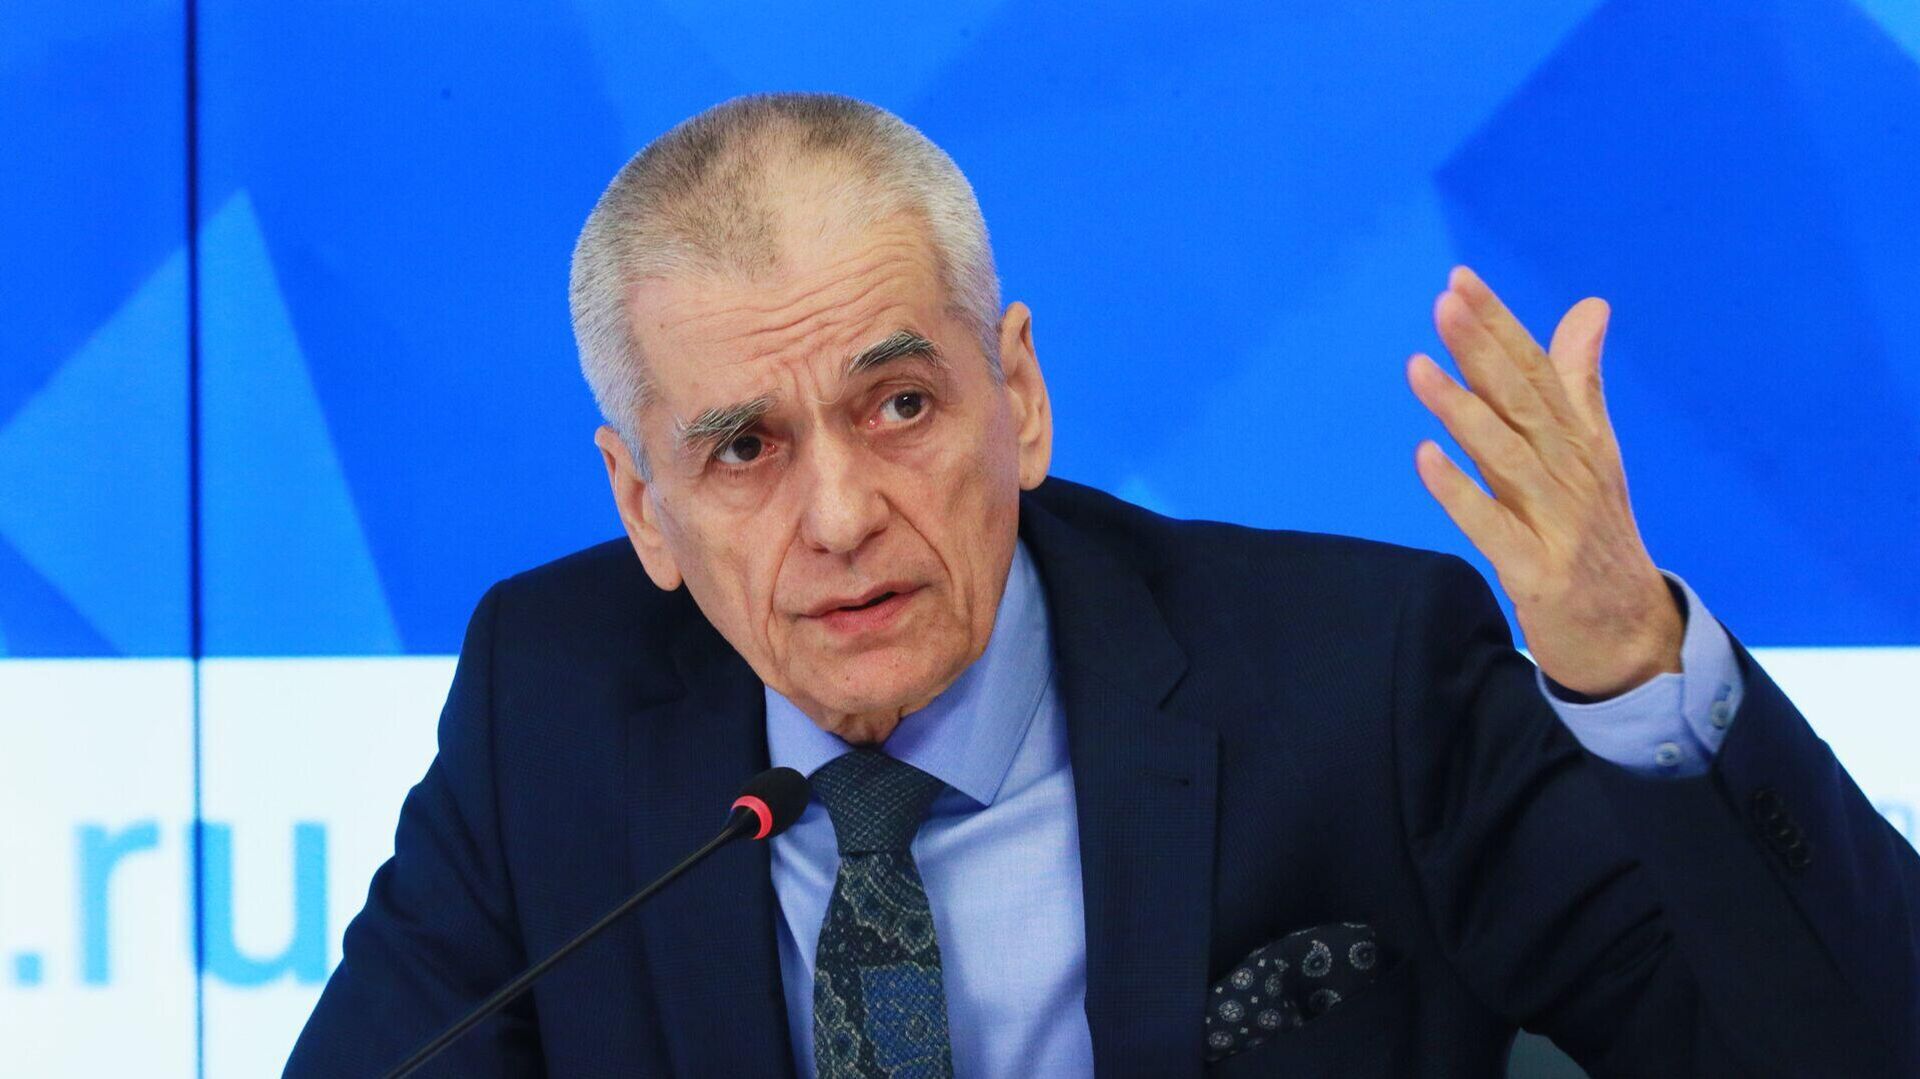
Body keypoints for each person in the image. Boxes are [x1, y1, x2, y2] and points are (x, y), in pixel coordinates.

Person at [284, 92, 1918, 1077]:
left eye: (899, 405)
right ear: (643, 504)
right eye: (745, 450)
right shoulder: (553, 704)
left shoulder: (1359, 684)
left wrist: (1634, 670)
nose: (841, 515)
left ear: (1020, 395)